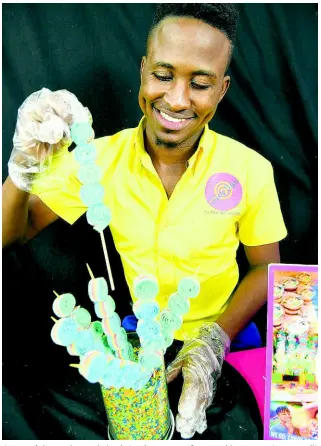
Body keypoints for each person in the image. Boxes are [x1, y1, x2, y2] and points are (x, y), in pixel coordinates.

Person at [2, 3, 287, 440]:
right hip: (138, 344)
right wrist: (20, 170)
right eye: (163, 75)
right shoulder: (99, 161)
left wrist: (213, 342)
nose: (176, 98)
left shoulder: (250, 170)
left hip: (227, 337)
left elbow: (267, 268)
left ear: (223, 89)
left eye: (201, 83)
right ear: (143, 70)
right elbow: (11, 235)